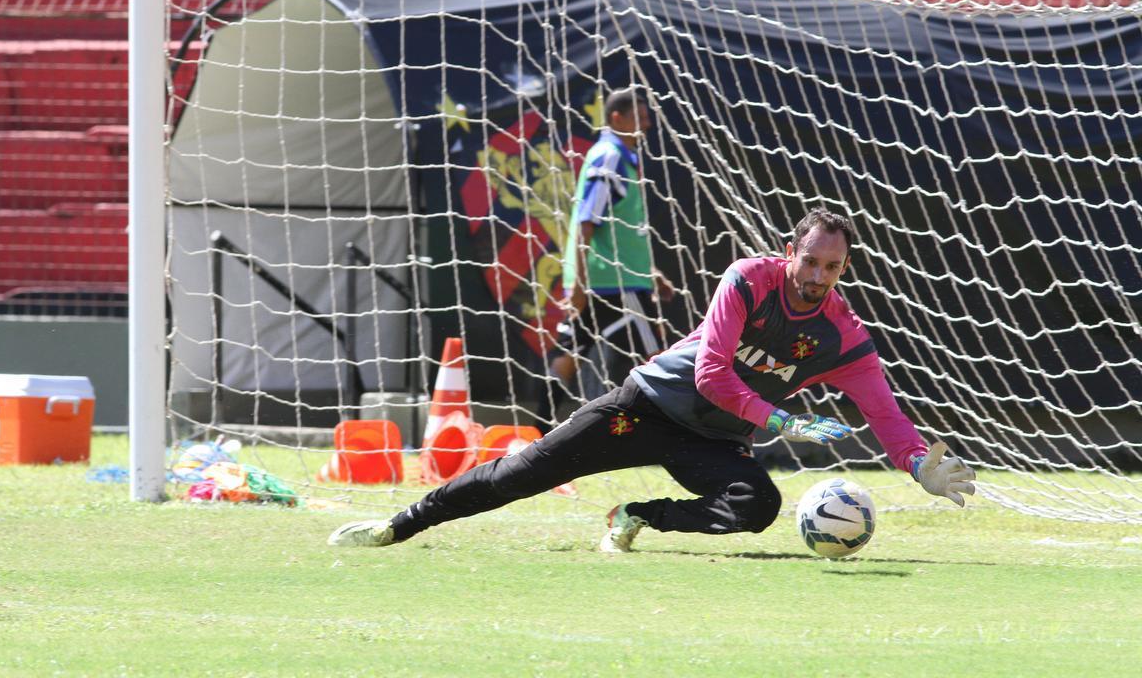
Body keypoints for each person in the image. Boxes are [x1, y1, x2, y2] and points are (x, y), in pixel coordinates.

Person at [329, 207, 977, 552]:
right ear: (790, 253)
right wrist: (783, 422)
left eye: (830, 267)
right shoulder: (748, 280)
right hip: (643, 408)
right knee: (521, 475)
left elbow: (883, 412)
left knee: (758, 508)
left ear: (843, 269)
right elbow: (713, 374)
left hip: (713, 443)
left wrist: (918, 464)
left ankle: (636, 515)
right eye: (810, 260)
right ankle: (399, 525)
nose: (816, 275)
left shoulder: (844, 335)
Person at [535, 87, 674, 431]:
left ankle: (537, 429)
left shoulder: (621, 157)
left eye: (648, 118)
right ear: (616, 118)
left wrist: (652, 272)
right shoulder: (609, 156)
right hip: (615, 284)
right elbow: (586, 222)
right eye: (640, 118)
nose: (647, 125)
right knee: (658, 361)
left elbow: (619, 230)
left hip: (614, 278)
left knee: (569, 356)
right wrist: (579, 284)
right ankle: (667, 437)